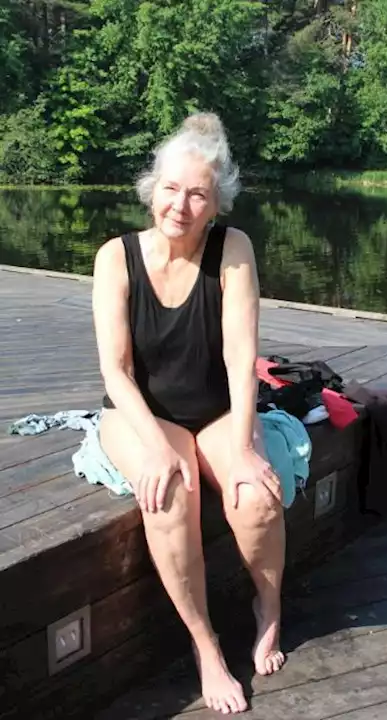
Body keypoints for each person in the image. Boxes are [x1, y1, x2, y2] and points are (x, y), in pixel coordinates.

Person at [91, 112, 285, 715]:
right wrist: (152, 447)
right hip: (140, 412)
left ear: (216, 201)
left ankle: (269, 609)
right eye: (171, 189)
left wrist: (248, 447)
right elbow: (116, 371)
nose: (181, 204)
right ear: (153, 188)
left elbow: (240, 356)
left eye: (198, 193)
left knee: (254, 496)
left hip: (216, 410)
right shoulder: (115, 257)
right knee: (169, 491)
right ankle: (207, 646)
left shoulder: (234, 249)